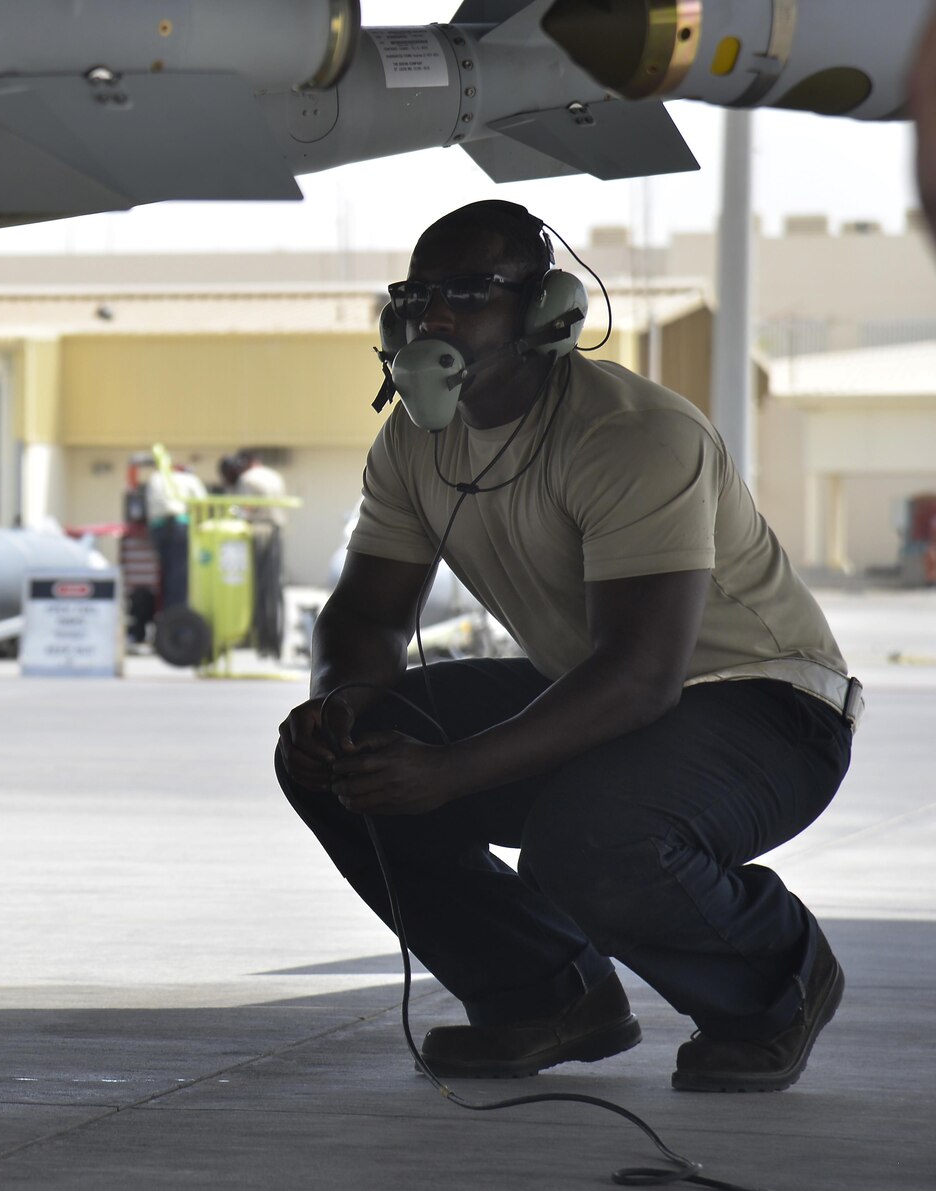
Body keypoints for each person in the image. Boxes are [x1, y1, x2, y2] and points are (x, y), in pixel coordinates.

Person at [276, 200, 857, 1093]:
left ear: (546, 312)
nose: (435, 316)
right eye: (419, 293)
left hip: (769, 705)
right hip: (607, 690)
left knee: (584, 839)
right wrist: (340, 706)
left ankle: (776, 979)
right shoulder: (412, 441)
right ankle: (547, 994)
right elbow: (365, 619)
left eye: (470, 293)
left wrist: (452, 771)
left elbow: (640, 674)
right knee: (341, 756)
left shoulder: (631, 434)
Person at [219, 450, 289, 655]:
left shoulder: (247, 479)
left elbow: (245, 510)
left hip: (258, 532)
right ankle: (273, 637)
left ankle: (256, 635)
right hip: (276, 531)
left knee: (255, 586)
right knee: (273, 587)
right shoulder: (275, 476)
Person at [144, 444, 205, 612]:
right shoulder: (189, 479)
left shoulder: (155, 478)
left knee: (166, 572)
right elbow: (202, 504)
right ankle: (177, 614)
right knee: (180, 574)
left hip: (158, 530)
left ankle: (167, 613)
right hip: (180, 527)